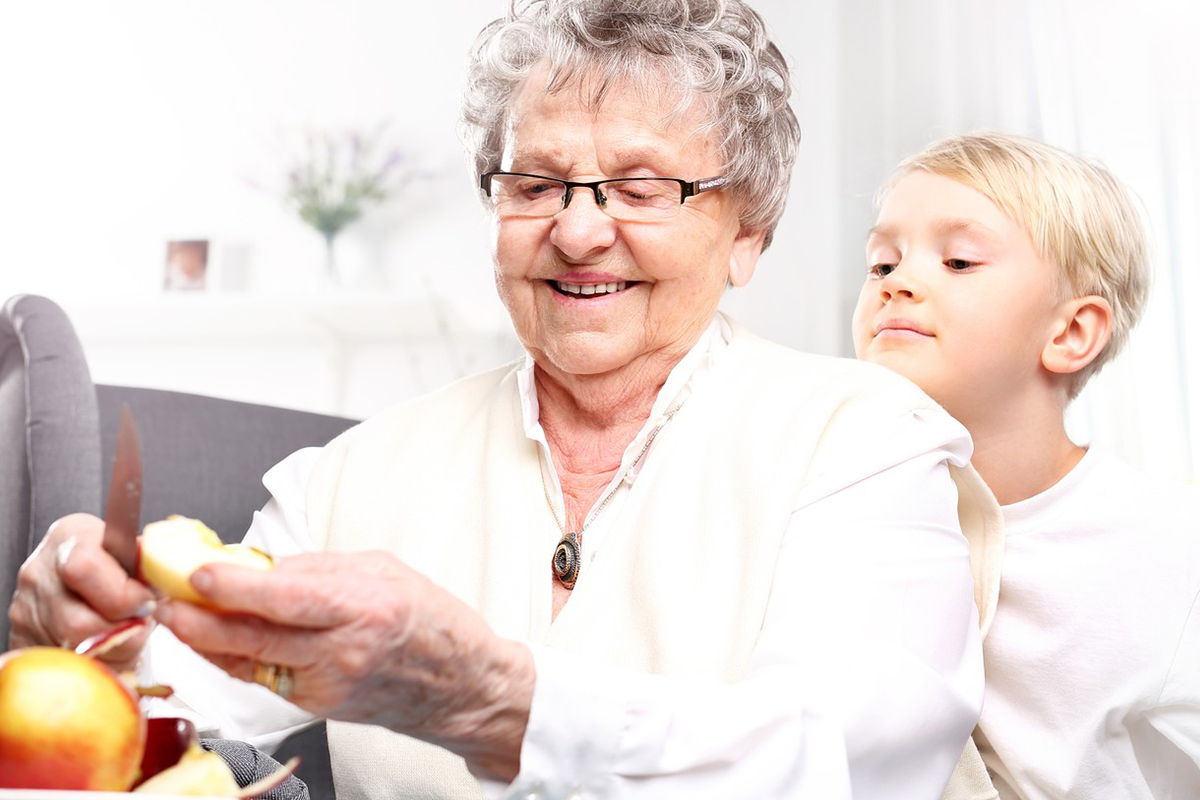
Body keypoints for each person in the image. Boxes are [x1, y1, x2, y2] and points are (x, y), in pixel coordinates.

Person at [10, 2, 990, 798]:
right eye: (536, 183)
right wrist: (82, 642)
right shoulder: (346, 477)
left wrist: (496, 699)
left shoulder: (868, 439)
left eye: (640, 188)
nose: (576, 232)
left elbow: (846, 763)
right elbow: (172, 702)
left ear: (749, 232)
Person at [853, 132, 1200, 799]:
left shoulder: (1171, 549)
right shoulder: (841, 510)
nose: (898, 283)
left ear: (1070, 333)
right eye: (881, 264)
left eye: (957, 261)